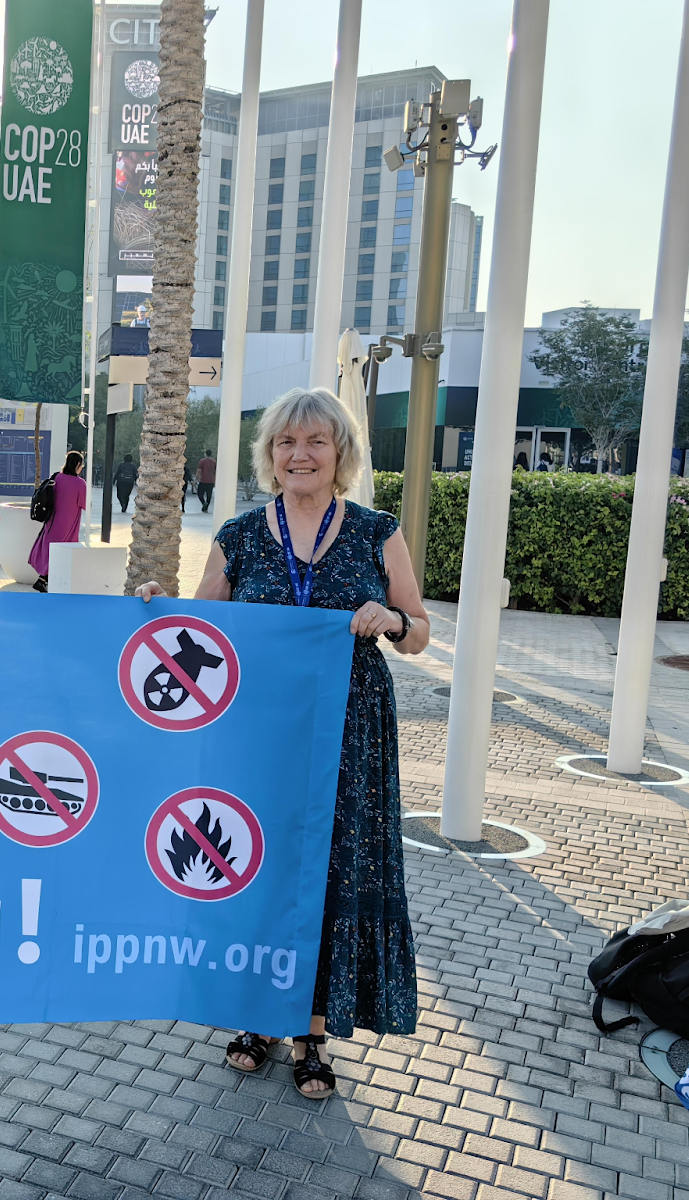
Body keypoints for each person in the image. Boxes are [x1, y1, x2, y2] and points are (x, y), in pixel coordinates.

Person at [135, 386, 428, 1100]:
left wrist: (387, 617)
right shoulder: (238, 534)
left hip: (349, 733)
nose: (300, 454)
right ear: (271, 455)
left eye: (316, 442)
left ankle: (314, 1035)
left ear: (340, 454)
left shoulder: (375, 530)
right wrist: (155, 605)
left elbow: (419, 630)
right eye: (287, 443)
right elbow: (201, 625)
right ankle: (258, 1018)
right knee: (253, 864)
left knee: (328, 872)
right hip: (257, 731)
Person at [28, 450, 87, 593]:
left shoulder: (57, 477)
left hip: (52, 521)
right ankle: (46, 581)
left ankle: (43, 580)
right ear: (78, 465)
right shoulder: (80, 484)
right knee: (63, 552)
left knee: (49, 550)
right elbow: (85, 505)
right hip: (68, 523)